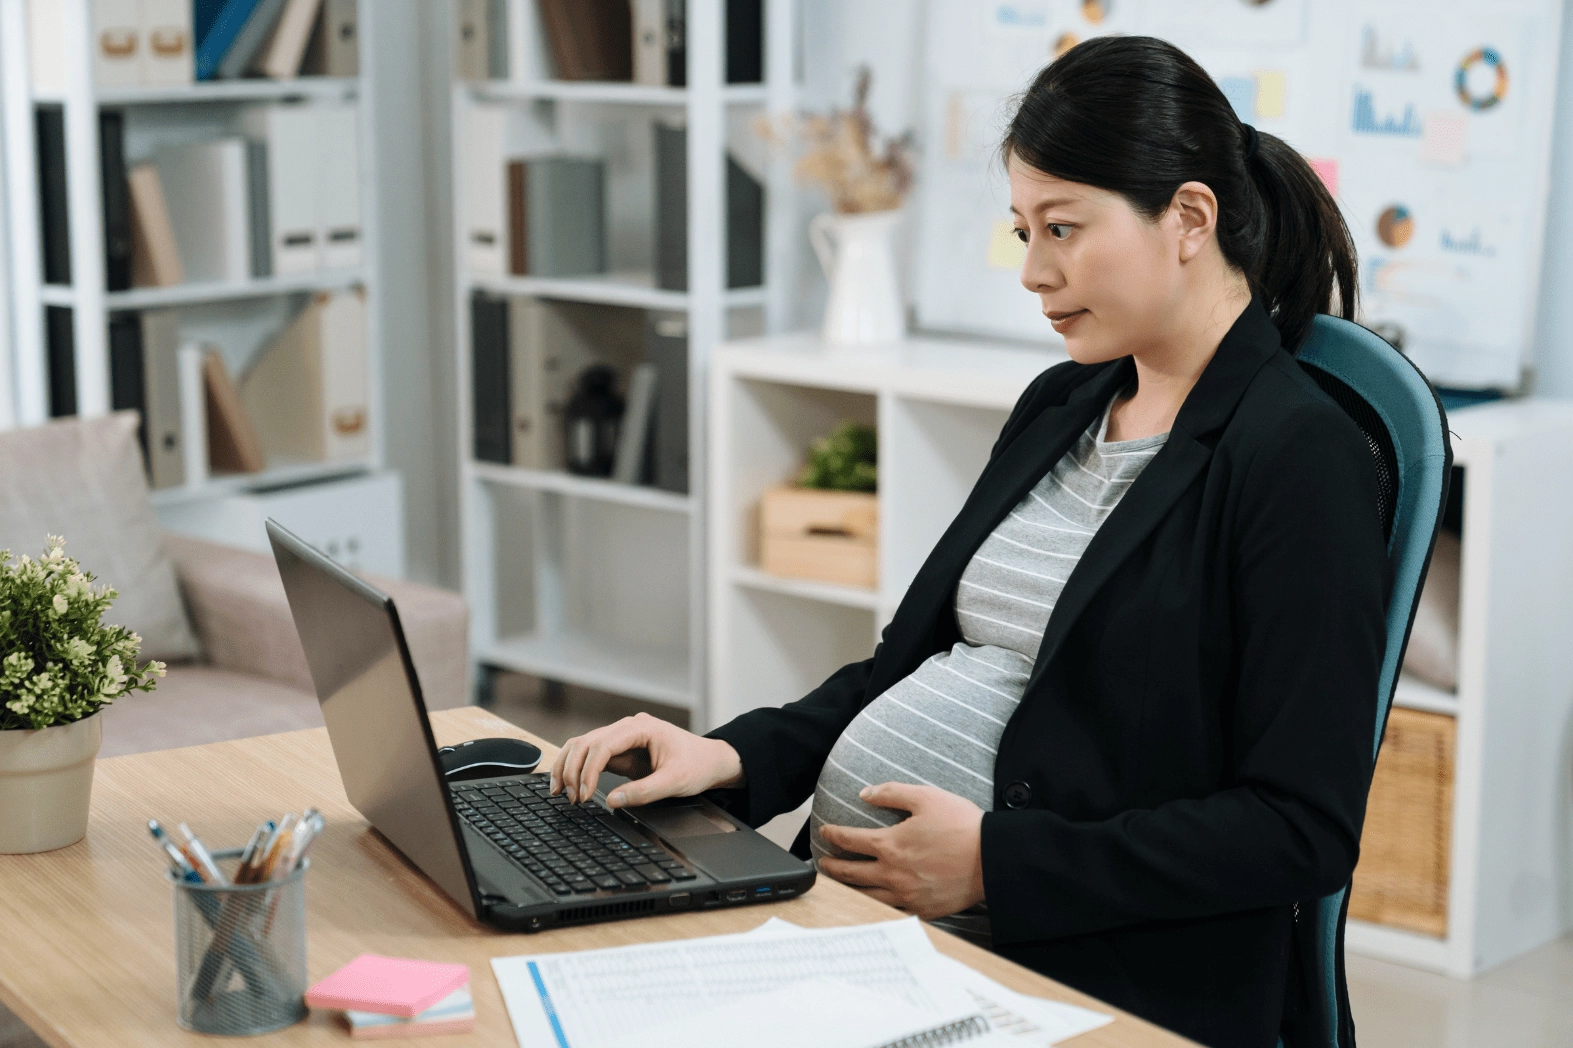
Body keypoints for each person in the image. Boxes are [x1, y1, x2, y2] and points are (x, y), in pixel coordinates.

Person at [550, 35, 1386, 1048]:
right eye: (1023, 230)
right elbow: (899, 668)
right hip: (877, 934)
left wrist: (999, 863)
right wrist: (728, 756)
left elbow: (1298, 828)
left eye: (1064, 229)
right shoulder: (1064, 402)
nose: (1034, 272)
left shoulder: (1299, 455)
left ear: (1190, 219)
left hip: (1083, 970)